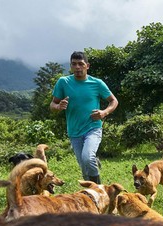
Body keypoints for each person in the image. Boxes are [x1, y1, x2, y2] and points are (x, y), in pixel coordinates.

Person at [50, 51, 118, 184]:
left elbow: (114, 101)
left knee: (87, 158)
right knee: (84, 168)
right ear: (70, 66)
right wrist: (58, 107)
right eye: (74, 64)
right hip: (74, 132)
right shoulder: (63, 82)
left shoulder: (97, 83)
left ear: (87, 66)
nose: (77, 67)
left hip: (93, 128)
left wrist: (104, 112)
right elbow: (53, 104)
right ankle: (89, 193)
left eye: (80, 64)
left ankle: (98, 190)